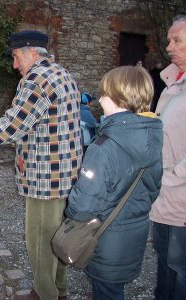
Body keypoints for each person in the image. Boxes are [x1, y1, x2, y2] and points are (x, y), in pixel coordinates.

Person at [0, 30, 82, 300]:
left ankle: (44, 294)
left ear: (31, 52)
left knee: (40, 240)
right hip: (66, 175)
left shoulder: (36, 79)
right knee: (59, 237)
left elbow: (11, 127)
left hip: (45, 178)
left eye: (16, 57)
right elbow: (41, 125)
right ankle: (59, 290)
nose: (14, 65)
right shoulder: (62, 73)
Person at [66, 66, 163, 300]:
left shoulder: (105, 145)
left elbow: (83, 205)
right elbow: (154, 187)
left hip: (106, 237)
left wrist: (70, 210)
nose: (100, 99)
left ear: (119, 98)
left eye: (104, 94)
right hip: (132, 233)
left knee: (106, 292)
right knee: (113, 290)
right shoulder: (152, 135)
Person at [149, 15, 186, 300]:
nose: (169, 46)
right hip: (164, 196)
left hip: (179, 198)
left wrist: (169, 178)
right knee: (164, 264)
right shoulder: (173, 80)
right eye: (169, 40)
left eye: (177, 40)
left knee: (179, 270)